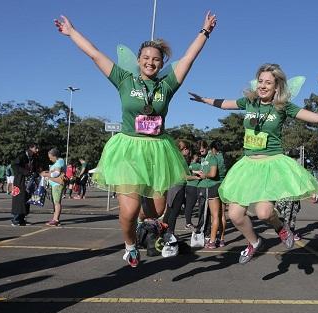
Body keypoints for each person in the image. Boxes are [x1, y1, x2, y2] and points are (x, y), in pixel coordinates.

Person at [55, 12, 217, 268]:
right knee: (129, 211)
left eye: (155, 59)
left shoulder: (167, 85)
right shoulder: (124, 79)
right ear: (138, 60)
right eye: (146, 58)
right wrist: (71, 32)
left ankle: (145, 221)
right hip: (129, 149)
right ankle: (130, 246)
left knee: (155, 211)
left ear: (161, 63)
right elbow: (95, 54)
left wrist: (204, 31)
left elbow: (189, 58)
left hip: (158, 150)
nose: (150, 62)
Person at [189, 63, 318, 263]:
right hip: (247, 165)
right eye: (261, 81)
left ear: (277, 87)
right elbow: (224, 104)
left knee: (264, 213)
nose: (263, 86)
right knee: (236, 215)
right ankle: (255, 243)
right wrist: (203, 100)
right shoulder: (249, 102)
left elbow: (316, 118)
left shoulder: (283, 106)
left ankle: (281, 228)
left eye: (268, 82)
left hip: (271, 164)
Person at [275, 148, 303, 240]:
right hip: (289, 194)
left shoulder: (292, 166)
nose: (295, 159)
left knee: (291, 214)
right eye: (294, 157)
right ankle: (287, 233)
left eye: (295, 157)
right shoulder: (288, 166)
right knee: (289, 215)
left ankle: (289, 232)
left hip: (293, 194)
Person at [11, 143, 39, 226]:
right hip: (20, 181)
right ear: (30, 148)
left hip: (28, 183)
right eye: (36, 148)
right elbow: (14, 165)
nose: (37, 150)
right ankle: (15, 220)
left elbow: (34, 168)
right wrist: (26, 172)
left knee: (26, 200)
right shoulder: (22, 156)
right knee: (19, 200)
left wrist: (35, 173)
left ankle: (22, 219)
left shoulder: (33, 157)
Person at [41, 148, 66, 227]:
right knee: (55, 202)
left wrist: (46, 175)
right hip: (55, 184)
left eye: (50, 157)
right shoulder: (59, 162)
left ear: (55, 156)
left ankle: (56, 220)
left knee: (57, 202)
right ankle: (55, 218)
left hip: (57, 184)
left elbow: (56, 173)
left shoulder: (59, 161)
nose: (50, 158)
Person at [185, 152, 201, 229]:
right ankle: (188, 223)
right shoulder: (198, 165)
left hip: (188, 186)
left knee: (188, 205)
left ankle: (188, 222)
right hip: (194, 187)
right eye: (197, 155)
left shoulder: (187, 165)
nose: (198, 157)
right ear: (194, 157)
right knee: (190, 205)